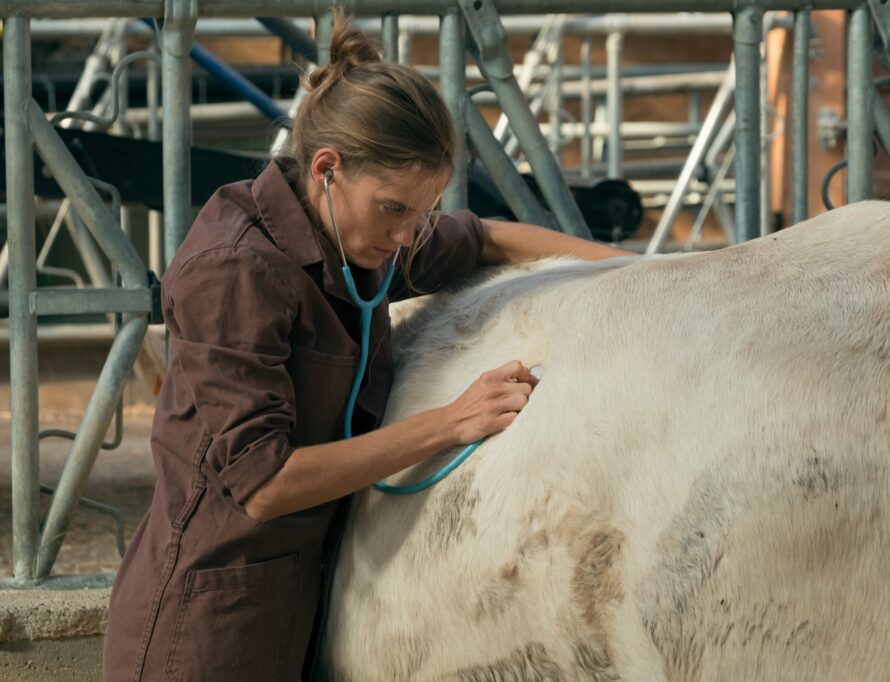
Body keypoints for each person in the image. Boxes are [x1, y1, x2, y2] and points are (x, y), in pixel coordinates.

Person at [103, 11, 631, 681]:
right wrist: (451, 421)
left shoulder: (356, 235)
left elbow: (486, 239)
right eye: (394, 208)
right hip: (207, 624)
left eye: (423, 211)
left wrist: (632, 269)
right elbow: (263, 483)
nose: (409, 234)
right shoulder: (235, 269)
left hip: (296, 601)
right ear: (327, 168)